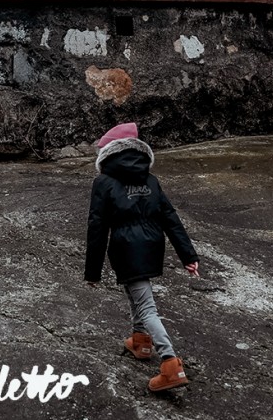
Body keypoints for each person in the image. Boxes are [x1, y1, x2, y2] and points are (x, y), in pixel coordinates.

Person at [84, 122, 200, 392]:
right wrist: (188, 255)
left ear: (107, 153)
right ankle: (141, 342)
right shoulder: (150, 179)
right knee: (136, 292)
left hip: (125, 247)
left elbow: (97, 227)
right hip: (152, 244)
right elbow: (170, 217)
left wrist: (92, 273)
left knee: (146, 305)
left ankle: (171, 365)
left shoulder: (103, 182)